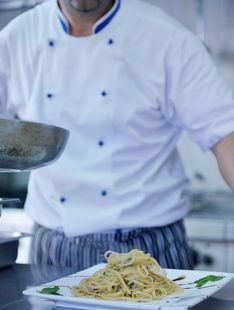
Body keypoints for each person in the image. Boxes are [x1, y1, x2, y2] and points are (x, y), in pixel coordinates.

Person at [1, 0, 234, 270]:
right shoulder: (16, 38)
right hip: (55, 246)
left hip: (150, 247)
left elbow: (226, 132)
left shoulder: (168, 39)